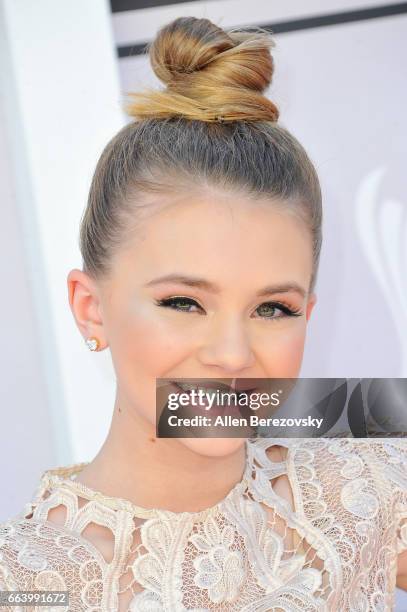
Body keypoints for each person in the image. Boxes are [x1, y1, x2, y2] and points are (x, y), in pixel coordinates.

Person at [0, 16, 406, 611]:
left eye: (273, 307)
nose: (233, 354)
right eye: (183, 302)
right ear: (91, 310)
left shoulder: (363, 485)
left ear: (309, 313)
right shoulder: (32, 581)